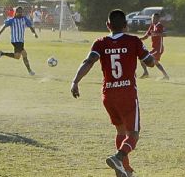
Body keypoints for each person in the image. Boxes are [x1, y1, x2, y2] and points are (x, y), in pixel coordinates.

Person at [71, 9, 154, 177]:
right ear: (126, 25)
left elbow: (88, 61)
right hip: (127, 94)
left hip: (108, 94)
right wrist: (147, 56)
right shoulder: (133, 41)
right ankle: (119, 157)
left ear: (107, 25)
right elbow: (150, 62)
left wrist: (75, 81)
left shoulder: (100, 43)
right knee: (134, 134)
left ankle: (125, 169)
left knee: (120, 131)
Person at [0, 6, 38, 76]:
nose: (20, 13)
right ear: (15, 12)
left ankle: (2, 53)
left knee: (17, 56)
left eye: (21, 12)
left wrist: (34, 33)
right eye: (18, 12)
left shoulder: (25, 19)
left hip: (21, 41)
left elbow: (30, 26)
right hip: (15, 40)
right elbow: (4, 26)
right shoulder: (12, 20)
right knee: (24, 54)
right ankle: (30, 71)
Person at [139, 13, 169, 80]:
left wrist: (156, 33)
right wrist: (138, 39)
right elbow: (146, 36)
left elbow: (165, 34)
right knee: (155, 62)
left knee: (143, 58)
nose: (153, 19)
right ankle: (166, 76)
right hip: (154, 48)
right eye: (152, 18)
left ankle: (146, 73)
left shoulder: (160, 26)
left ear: (158, 19)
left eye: (155, 18)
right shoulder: (152, 26)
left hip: (158, 48)